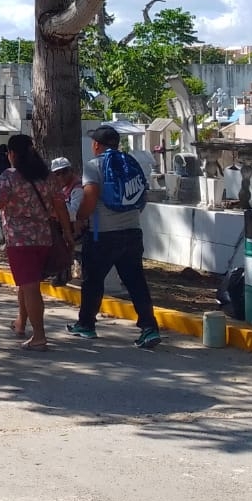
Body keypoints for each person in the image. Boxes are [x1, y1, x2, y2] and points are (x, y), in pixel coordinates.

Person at [0, 134, 74, 351]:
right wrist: (67, 233)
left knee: (30, 288)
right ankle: (21, 323)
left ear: (12, 154)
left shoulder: (10, 177)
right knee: (28, 284)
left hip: (20, 241)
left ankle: (39, 336)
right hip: (44, 238)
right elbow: (60, 206)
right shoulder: (47, 176)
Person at [68, 125, 161, 348]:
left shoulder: (93, 166)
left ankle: (87, 324)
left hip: (103, 235)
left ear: (97, 145)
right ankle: (149, 328)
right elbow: (142, 197)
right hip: (132, 232)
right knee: (136, 281)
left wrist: (80, 216)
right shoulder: (130, 163)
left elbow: (90, 198)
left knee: (92, 281)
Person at [47, 157, 84, 287]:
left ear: (71, 171)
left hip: (78, 228)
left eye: (64, 172)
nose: (61, 176)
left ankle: (63, 274)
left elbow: (74, 213)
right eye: (57, 174)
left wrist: (58, 207)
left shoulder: (77, 188)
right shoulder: (59, 189)